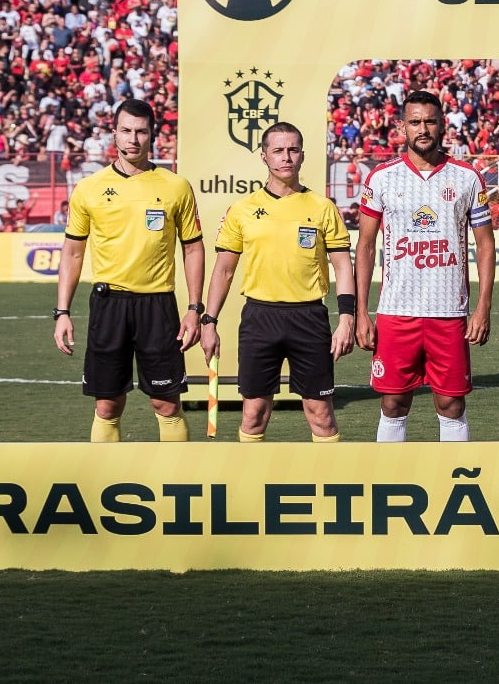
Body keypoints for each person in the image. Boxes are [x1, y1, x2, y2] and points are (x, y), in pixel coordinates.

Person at [54, 98, 205, 442]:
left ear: (153, 135)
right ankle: (106, 483)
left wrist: (194, 308)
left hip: (158, 306)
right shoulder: (89, 189)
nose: (133, 139)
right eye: (126, 131)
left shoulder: (175, 186)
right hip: (109, 306)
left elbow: (193, 247)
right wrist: (61, 311)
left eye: (141, 132)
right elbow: (73, 253)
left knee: (166, 404)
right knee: (107, 405)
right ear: (114, 133)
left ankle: (177, 485)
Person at [355, 90, 496, 442]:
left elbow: (485, 245)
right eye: (415, 122)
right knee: (393, 402)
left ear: (442, 125)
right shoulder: (381, 178)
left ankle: (453, 482)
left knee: (451, 404)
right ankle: (390, 482)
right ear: (402, 126)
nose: (423, 129)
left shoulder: (467, 177)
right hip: (395, 311)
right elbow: (366, 247)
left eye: (430, 121)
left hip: (448, 312)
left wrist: (483, 308)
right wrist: (361, 311)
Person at [201, 122, 353, 442]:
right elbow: (224, 270)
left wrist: (347, 318)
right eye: (278, 151)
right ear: (264, 156)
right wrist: (208, 321)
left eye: (293, 150)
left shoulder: (322, 207)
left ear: (302, 156)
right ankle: (251, 489)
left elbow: (342, 264)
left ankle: (329, 482)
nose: (286, 157)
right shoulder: (241, 210)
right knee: (254, 413)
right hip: (260, 318)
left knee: (321, 414)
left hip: (309, 318)